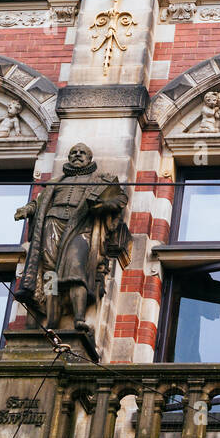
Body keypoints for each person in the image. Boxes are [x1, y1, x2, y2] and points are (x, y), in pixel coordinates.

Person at [15, 143, 129, 334]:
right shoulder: (57, 181)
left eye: (82, 152)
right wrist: (27, 209)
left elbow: (120, 199)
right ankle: (52, 319)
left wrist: (103, 206)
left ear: (89, 158)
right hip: (52, 223)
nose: (77, 155)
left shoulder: (100, 180)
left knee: (76, 270)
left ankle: (78, 318)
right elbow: (39, 202)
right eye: (73, 153)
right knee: (50, 273)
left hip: (81, 225)